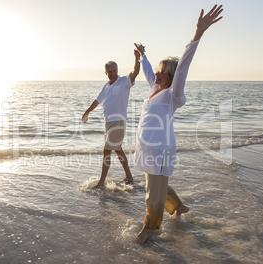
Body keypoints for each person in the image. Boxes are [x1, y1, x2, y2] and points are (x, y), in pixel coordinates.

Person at [134, 5, 224, 243]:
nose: (157, 74)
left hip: (160, 151)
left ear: (172, 76)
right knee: (156, 185)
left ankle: (150, 229)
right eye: (157, 71)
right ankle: (178, 207)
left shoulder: (173, 94)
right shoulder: (154, 90)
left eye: (162, 72)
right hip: (148, 150)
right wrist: (143, 55)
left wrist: (197, 34)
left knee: (152, 193)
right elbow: (147, 72)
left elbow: (183, 66)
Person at [82, 49, 141, 189]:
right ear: (106, 73)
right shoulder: (106, 86)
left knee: (106, 150)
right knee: (118, 150)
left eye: (114, 71)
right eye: (110, 72)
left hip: (119, 122)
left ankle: (101, 182)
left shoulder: (124, 82)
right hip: (108, 123)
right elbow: (97, 101)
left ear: (117, 70)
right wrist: (87, 112)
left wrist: (137, 57)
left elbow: (135, 72)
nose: (113, 73)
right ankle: (129, 177)